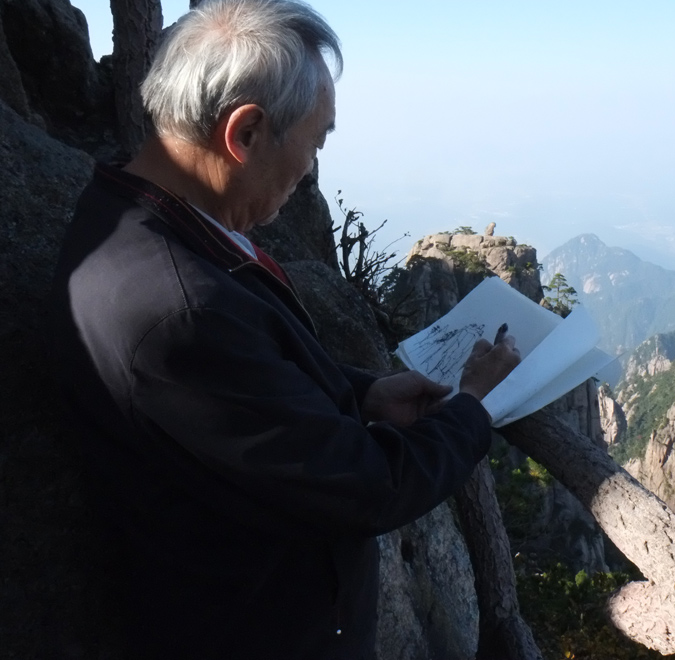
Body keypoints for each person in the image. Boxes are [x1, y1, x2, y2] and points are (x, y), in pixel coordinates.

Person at [48, 0, 520, 658]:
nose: (309, 169)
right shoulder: (177, 308)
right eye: (316, 139)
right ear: (244, 133)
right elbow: (367, 488)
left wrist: (361, 394)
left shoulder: (142, 218)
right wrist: (471, 406)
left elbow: (243, 396)